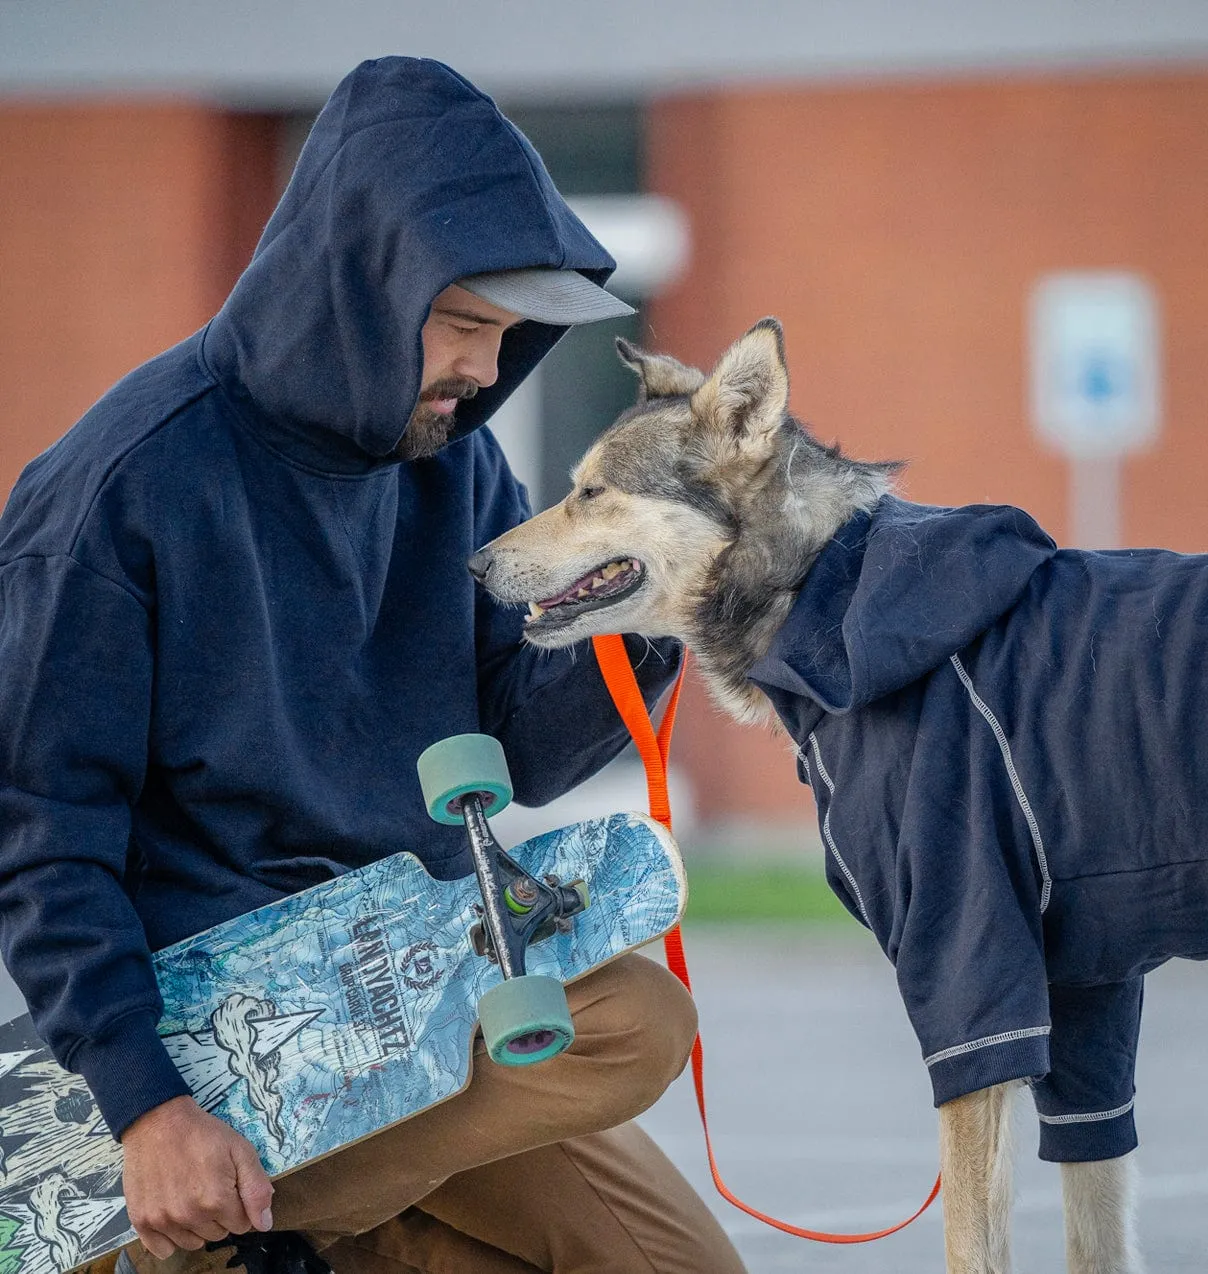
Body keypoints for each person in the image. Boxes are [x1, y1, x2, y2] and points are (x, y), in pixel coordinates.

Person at [0, 56, 747, 1274]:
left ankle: (237, 1238)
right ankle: (164, 1207)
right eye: (462, 324)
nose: (482, 367)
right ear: (355, 285)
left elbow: (524, 752)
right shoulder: (116, 492)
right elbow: (44, 832)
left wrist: (655, 605)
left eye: (506, 334)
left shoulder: (451, 461)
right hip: (218, 1014)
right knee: (622, 1019)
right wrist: (146, 1106)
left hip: (411, 980)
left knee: (639, 1047)